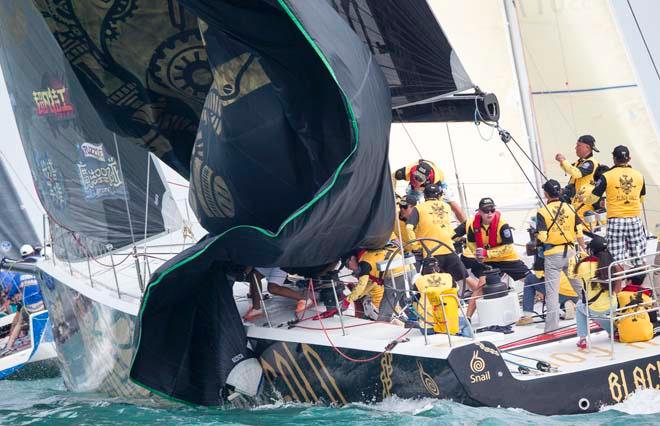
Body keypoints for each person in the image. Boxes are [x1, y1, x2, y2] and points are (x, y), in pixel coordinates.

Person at [454, 197, 530, 318]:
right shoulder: (473, 225)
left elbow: (508, 248)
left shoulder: (502, 225)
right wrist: (477, 255)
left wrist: (487, 254)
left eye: (492, 209)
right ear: (479, 211)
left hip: (508, 259)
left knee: (531, 280)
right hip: (490, 262)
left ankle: (556, 305)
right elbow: (472, 244)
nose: (489, 213)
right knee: (480, 287)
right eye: (485, 210)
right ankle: (467, 318)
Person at [405, 183, 479, 308]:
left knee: (430, 286)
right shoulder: (446, 207)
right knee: (466, 278)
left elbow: (409, 227)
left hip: (431, 253)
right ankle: (484, 297)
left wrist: (415, 246)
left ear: (424, 196)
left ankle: (432, 312)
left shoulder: (419, 208)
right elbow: (446, 228)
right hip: (449, 249)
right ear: (439, 196)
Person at [536, 179, 585, 332]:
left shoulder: (542, 212)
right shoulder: (571, 208)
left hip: (553, 254)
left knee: (551, 293)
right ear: (560, 192)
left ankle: (551, 329)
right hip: (571, 252)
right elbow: (579, 233)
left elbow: (543, 237)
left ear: (545, 194)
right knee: (581, 289)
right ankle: (597, 314)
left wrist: (536, 236)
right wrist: (583, 249)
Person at [589, 145, 647, 265]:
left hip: (616, 220)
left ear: (614, 158)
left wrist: (583, 199)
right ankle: (637, 282)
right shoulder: (639, 176)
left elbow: (592, 199)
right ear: (629, 158)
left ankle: (618, 283)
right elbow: (641, 199)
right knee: (639, 258)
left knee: (616, 260)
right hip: (634, 219)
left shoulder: (607, 176)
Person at [574, 234, 623, 349]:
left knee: (581, 306)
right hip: (612, 305)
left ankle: (582, 339)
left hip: (593, 308)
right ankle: (613, 332)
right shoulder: (613, 265)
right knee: (603, 313)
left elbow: (575, 276)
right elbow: (618, 289)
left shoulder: (583, 265)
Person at [341, 244, 409, 323]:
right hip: (407, 269)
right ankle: (411, 322)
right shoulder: (368, 256)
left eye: (346, 264)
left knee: (385, 310)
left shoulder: (364, 263)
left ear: (352, 258)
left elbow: (362, 285)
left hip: (397, 274)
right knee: (406, 302)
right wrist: (353, 297)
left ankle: (382, 327)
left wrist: (347, 300)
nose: (348, 268)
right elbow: (368, 284)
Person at [518, 249, 579, 325]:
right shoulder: (569, 246)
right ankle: (568, 304)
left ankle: (527, 316)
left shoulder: (543, 249)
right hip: (576, 292)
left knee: (529, 279)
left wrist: (538, 290)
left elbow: (539, 274)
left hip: (559, 291)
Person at [393, 160, 466, 222]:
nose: (416, 181)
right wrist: (393, 192)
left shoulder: (436, 179)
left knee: (451, 204)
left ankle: (467, 227)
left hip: (435, 184)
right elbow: (392, 176)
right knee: (406, 205)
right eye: (416, 177)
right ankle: (405, 228)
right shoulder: (407, 171)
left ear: (427, 178)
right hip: (414, 188)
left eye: (420, 179)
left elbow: (436, 200)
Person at [3, 245, 44, 354]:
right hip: (41, 305)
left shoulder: (20, 271)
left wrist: (9, 298)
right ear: (33, 253)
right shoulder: (40, 265)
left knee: (19, 323)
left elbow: (12, 290)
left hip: (28, 307)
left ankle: (8, 347)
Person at [554, 134, 600, 218]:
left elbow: (576, 173)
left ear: (587, 147)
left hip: (585, 203)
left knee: (583, 226)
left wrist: (563, 161)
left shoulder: (590, 163)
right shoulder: (580, 162)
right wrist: (562, 162)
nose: (576, 148)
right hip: (576, 201)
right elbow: (570, 169)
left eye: (578, 145)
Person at [243, 267, 311, 321]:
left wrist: (245, 272)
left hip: (280, 260)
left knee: (272, 288)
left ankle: (305, 299)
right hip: (268, 260)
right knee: (254, 274)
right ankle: (256, 309)